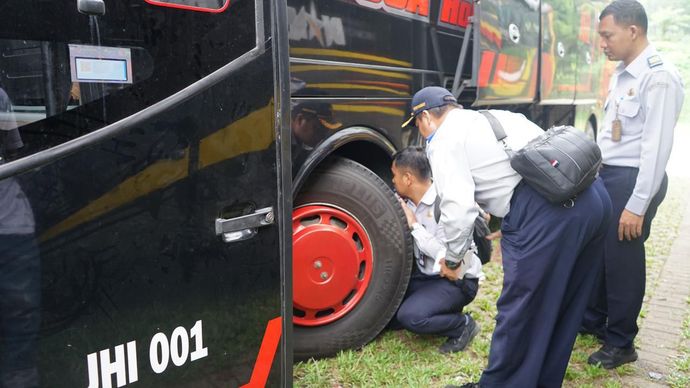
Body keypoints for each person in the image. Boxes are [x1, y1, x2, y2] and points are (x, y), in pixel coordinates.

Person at [402, 86, 612, 387]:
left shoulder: (443, 140)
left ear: (424, 118)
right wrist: (516, 219)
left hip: (549, 212)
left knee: (520, 310)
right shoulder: (494, 117)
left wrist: (453, 258)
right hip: (593, 199)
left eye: (418, 125)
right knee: (564, 303)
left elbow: (458, 209)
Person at [581, 0, 685, 369]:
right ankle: (595, 320)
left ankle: (621, 342)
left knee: (623, 260)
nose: (602, 43)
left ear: (632, 31)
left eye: (607, 35)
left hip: (633, 180)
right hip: (611, 177)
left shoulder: (657, 77)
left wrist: (637, 204)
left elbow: (656, 149)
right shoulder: (625, 73)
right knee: (602, 254)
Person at [390, 146, 482, 354]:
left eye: (394, 175)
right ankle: (438, 307)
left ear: (408, 178)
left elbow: (447, 257)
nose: (392, 181)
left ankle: (463, 325)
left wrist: (414, 226)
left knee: (411, 317)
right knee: (386, 312)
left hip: (455, 279)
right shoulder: (405, 202)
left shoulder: (446, 205)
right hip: (425, 277)